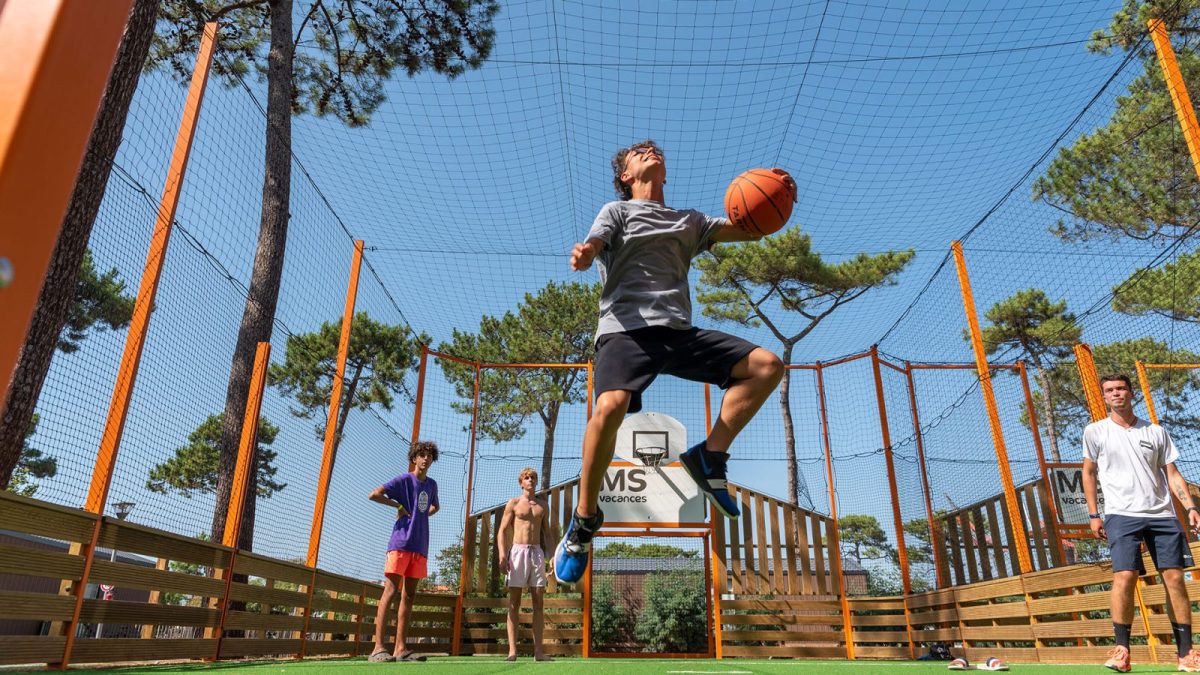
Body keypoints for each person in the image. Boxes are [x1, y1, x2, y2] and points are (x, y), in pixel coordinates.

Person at [555, 139, 787, 584]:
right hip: (625, 330)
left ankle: (709, 456)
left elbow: (751, 229)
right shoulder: (617, 211)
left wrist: (777, 193)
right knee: (610, 406)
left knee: (767, 366)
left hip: (677, 332)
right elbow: (595, 243)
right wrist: (586, 253)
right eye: (638, 152)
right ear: (625, 176)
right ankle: (584, 520)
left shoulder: (691, 221)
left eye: (654, 150)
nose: (650, 152)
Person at [1081, 374, 1200, 673]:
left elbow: (1172, 474)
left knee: (1175, 578)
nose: (1116, 393)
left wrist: (1190, 506)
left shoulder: (1156, 431)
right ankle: (1122, 651)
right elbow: (1089, 473)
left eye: (1121, 388)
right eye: (1110, 390)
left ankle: (1186, 654)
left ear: (1131, 393)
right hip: (1121, 514)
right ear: (1104, 397)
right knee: (1125, 575)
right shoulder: (1095, 431)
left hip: (1162, 515)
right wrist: (1094, 514)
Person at [368, 441, 440, 663]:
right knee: (390, 591)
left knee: (409, 596)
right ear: (414, 458)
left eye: (429, 455)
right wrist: (398, 506)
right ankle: (378, 648)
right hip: (400, 544)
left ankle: (400, 649)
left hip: (420, 545)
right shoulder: (403, 480)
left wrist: (421, 515)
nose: (425, 458)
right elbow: (374, 494)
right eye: (421, 455)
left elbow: (435, 506)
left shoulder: (432, 485)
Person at [497, 468, 555, 662]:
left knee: (539, 602)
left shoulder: (542, 506)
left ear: (536, 482)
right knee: (514, 602)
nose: (530, 480)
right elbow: (502, 530)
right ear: (521, 482)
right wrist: (503, 555)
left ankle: (538, 652)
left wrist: (552, 556)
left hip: (536, 553)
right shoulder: (513, 503)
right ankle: (512, 651)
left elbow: (547, 534)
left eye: (533, 478)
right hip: (517, 553)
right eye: (527, 478)